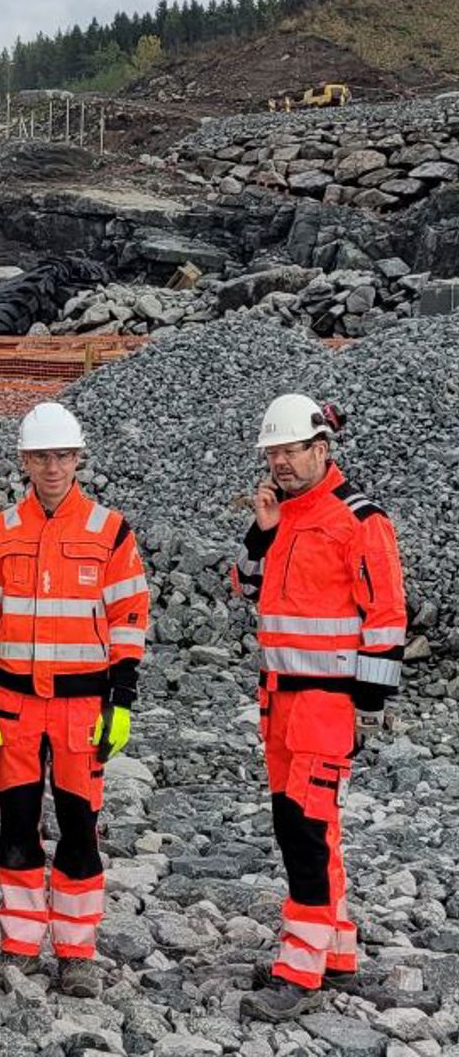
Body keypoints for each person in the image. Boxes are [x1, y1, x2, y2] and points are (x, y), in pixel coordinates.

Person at [0, 402, 150, 999]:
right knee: (14, 827)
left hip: (80, 710)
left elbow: (129, 617)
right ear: (24, 461)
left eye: (62, 456)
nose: (52, 467)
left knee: (77, 829)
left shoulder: (109, 531)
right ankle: (18, 942)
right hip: (14, 707)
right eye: (41, 456)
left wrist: (121, 700)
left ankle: (76, 950)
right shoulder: (0, 532)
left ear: (78, 459)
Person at [232, 394, 406, 1022]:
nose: (280, 461)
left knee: (302, 831)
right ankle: (334, 951)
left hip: (326, 705)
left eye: (290, 450)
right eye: (272, 452)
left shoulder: (357, 519)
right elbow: (246, 585)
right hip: (280, 699)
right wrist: (262, 530)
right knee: (314, 826)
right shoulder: (285, 514)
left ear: (321, 450)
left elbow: (387, 614)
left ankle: (298, 969)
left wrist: (369, 703)